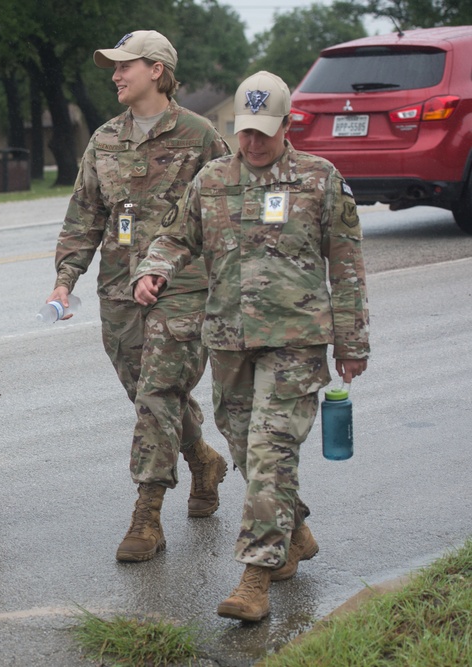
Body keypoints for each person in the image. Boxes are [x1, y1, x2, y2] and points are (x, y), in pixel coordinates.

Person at [133, 71, 370, 621]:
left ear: (288, 125)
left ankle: (256, 574)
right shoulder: (211, 180)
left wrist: (352, 342)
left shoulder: (320, 179)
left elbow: (348, 265)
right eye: (245, 131)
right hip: (229, 340)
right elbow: (174, 236)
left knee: (268, 452)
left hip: (297, 343)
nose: (254, 143)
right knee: (243, 446)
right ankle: (295, 533)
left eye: (265, 131)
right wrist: (155, 270)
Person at [46, 30, 230, 563]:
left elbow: (224, 216)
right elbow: (85, 215)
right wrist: (65, 280)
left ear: (157, 69)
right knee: (148, 392)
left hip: (183, 288)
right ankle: (203, 460)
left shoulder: (200, 137)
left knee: (158, 391)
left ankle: (147, 515)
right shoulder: (104, 139)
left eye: (125, 66)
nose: (115, 75)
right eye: (113, 67)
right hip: (119, 288)